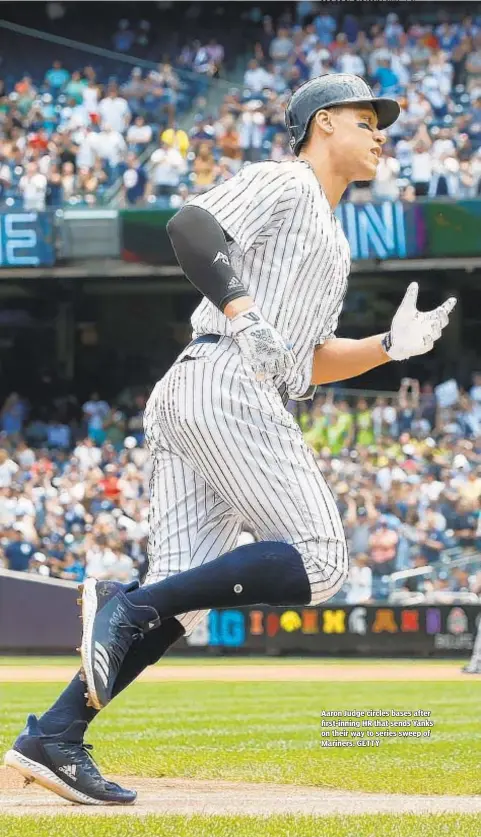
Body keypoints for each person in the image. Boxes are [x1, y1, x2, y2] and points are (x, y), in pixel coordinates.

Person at [5, 73, 457, 805]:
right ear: (320, 124)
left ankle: (53, 736)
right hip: (225, 380)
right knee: (321, 559)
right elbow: (189, 225)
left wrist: (386, 345)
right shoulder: (285, 182)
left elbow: (306, 361)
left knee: (180, 599)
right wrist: (243, 309)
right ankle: (127, 602)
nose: (380, 132)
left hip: (206, 389)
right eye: (364, 118)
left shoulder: (329, 238)